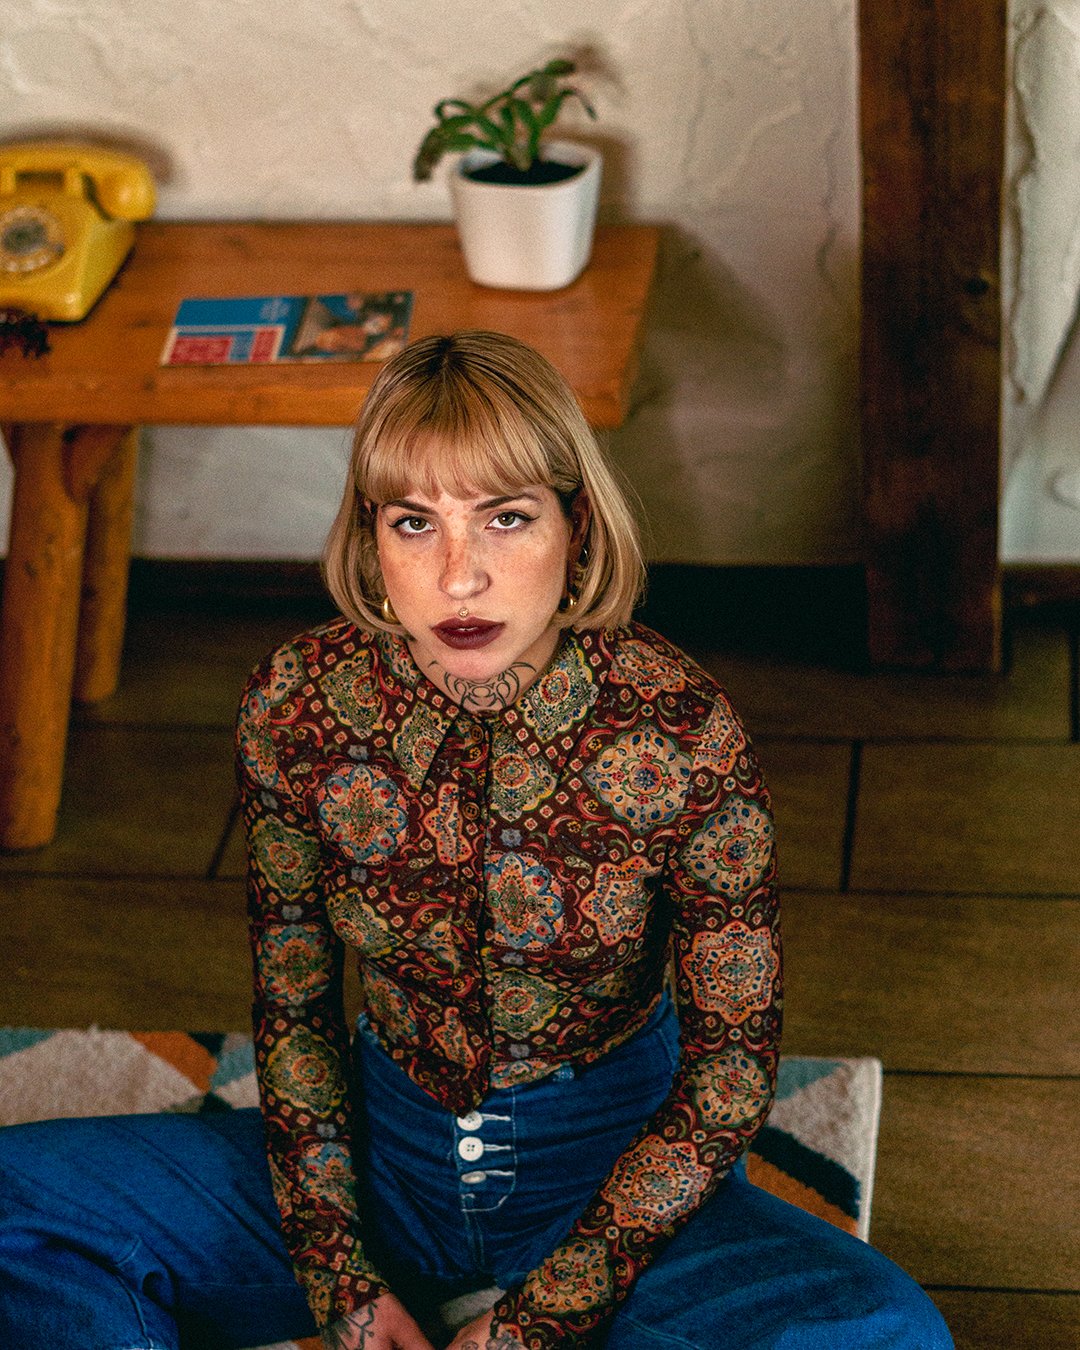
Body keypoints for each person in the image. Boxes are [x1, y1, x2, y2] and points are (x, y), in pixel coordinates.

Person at [0, 331, 952, 1350]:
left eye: (506, 518)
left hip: (611, 1190)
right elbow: (294, 1007)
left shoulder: (680, 729)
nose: (460, 577)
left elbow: (730, 1070)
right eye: (417, 523)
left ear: (574, 525)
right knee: (18, 1200)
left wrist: (544, 1318)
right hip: (384, 1168)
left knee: (883, 1331)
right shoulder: (298, 703)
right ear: (372, 539)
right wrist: (343, 1285)